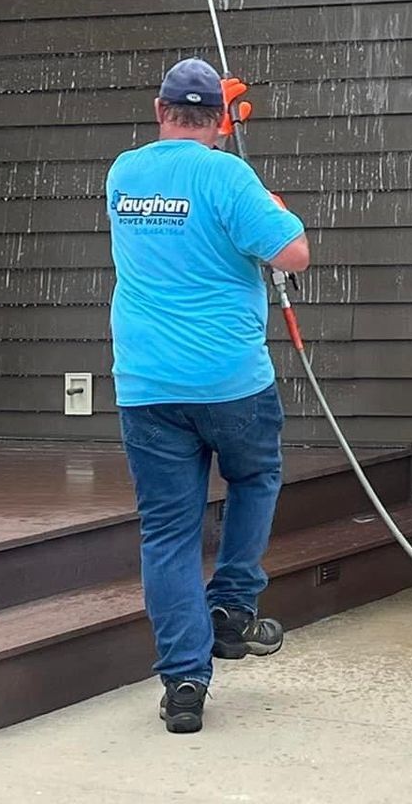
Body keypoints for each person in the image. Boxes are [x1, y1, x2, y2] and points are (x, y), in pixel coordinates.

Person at [105, 57, 312, 735]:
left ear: (160, 109)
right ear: (220, 119)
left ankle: (185, 684)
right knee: (255, 475)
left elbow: (179, 219)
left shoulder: (123, 174)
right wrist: (275, 209)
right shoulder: (227, 174)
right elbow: (292, 255)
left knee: (167, 532)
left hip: (146, 386)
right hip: (229, 382)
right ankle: (231, 604)